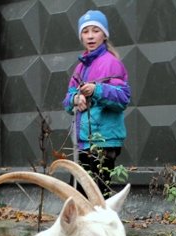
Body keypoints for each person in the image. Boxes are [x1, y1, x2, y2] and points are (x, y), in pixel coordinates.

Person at [62, 9, 130, 196]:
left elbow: (123, 98)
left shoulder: (111, 63)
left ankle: (102, 226)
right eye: (85, 31)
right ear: (81, 36)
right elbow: (67, 99)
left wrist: (96, 90)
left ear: (104, 35)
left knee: (98, 197)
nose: (90, 36)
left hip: (104, 141)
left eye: (95, 30)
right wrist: (76, 99)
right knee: (78, 196)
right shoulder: (80, 67)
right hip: (83, 142)